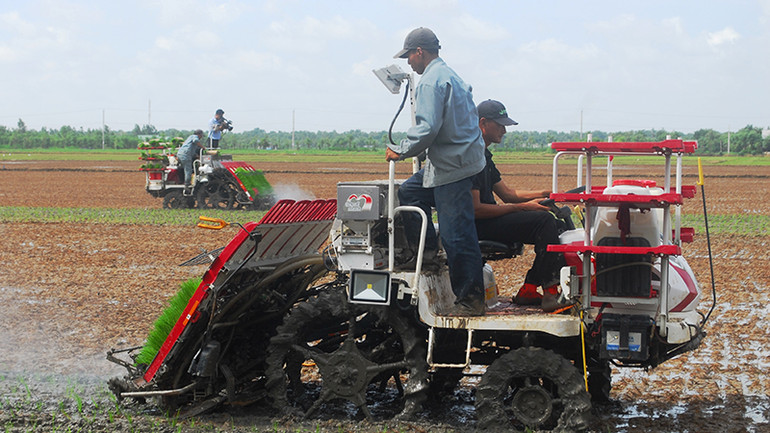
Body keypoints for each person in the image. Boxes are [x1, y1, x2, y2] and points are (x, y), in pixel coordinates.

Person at [386, 27, 487, 316]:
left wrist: (401, 150)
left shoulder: (431, 82)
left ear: (420, 52)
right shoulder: (450, 75)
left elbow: (427, 128)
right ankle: (427, 251)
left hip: (451, 166)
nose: (408, 63)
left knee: (457, 235)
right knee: (409, 192)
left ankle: (470, 299)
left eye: (409, 56)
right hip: (457, 159)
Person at [471, 99, 569, 312]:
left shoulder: (484, 156)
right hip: (478, 224)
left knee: (558, 227)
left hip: (491, 219)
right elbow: (476, 209)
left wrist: (546, 194)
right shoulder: (472, 157)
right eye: (500, 125)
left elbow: (507, 194)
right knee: (543, 221)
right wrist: (523, 207)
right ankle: (551, 291)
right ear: (483, 123)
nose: (504, 130)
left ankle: (529, 289)